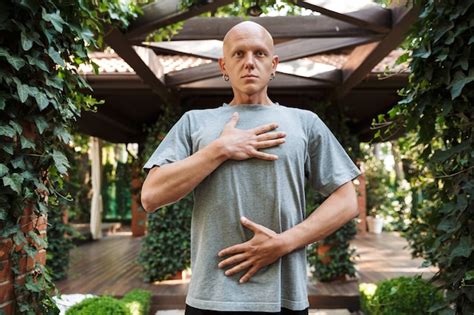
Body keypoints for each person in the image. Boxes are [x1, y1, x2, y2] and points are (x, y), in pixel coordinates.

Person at [141, 21, 361, 315]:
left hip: (284, 297)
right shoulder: (195, 122)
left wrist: (283, 243)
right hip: (211, 297)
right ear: (224, 65)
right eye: (238, 54)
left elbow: (346, 201)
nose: (249, 63)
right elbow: (151, 196)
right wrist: (219, 149)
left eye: (259, 54)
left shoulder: (305, 122)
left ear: (274, 64)